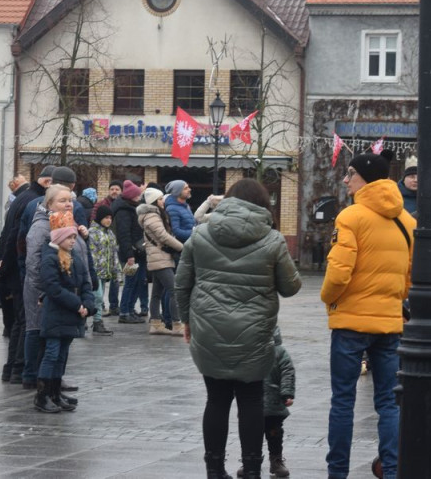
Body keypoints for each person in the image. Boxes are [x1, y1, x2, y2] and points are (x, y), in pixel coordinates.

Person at [175, 178, 301, 479]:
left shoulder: (201, 235)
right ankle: (254, 468)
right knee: (252, 401)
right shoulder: (272, 240)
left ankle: (215, 470)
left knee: (216, 399)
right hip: (255, 333)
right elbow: (291, 287)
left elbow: (182, 284)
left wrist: (187, 322)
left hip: (209, 328)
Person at [320, 150, 414, 479]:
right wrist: (392, 300)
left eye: (350, 174)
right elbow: (408, 276)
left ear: (365, 178)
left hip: (350, 322)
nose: (345, 180)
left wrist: (328, 299)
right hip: (389, 323)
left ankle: (337, 473)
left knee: (343, 400)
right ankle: (392, 470)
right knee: (388, 402)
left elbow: (338, 273)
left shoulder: (351, 217)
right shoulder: (407, 220)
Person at [0, 166, 52, 387]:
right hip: (21, 269)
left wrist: (2, 263)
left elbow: (7, 233)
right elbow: (17, 237)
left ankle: (11, 369)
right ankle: (19, 368)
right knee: (26, 321)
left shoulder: (23, 197)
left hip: (12, 267)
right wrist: (10, 265)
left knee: (19, 321)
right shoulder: (35, 202)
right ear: (48, 183)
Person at [34, 222, 95, 413]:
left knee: (62, 355)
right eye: (69, 237)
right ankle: (42, 395)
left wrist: (88, 305)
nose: (73, 241)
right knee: (52, 353)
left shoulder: (74, 256)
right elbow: (53, 288)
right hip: (57, 313)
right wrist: (77, 304)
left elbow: (85, 283)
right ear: (59, 238)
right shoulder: (50, 259)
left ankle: (55, 392)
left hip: (72, 313)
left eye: (74, 237)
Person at [234, 326, 295, 479]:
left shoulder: (279, 352)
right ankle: (249, 462)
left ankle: (276, 460)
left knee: (274, 434)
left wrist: (287, 393)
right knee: (250, 435)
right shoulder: (247, 351)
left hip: (273, 405)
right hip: (250, 404)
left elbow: (288, 371)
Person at [137, 187, 184, 336]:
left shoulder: (153, 215)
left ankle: (156, 323)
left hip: (159, 258)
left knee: (156, 293)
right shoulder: (152, 216)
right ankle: (177, 325)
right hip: (160, 259)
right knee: (174, 291)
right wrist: (182, 247)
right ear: (154, 202)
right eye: (160, 198)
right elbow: (163, 236)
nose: (163, 201)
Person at [113, 180, 147, 323]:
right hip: (131, 253)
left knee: (137, 281)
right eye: (138, 195)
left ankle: (130, 309)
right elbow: (124, 234)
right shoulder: (124, 211)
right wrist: (129, 255)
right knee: (130, 282)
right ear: (132, 196)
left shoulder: (132, 207)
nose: (140, 197)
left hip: (137, 252)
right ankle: (125, 311)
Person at [87, 205, 118, 332]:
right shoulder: (92, 233)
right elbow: (92, 253)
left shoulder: (110, 233)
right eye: (106, 218)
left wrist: (115, 269)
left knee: (99, 296)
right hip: (95, 270)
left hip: (105, 270)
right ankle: (95, 320)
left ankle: (97, 321)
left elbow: (113, 252)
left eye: (110, 218)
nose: (109, 220)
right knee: (98, 296)